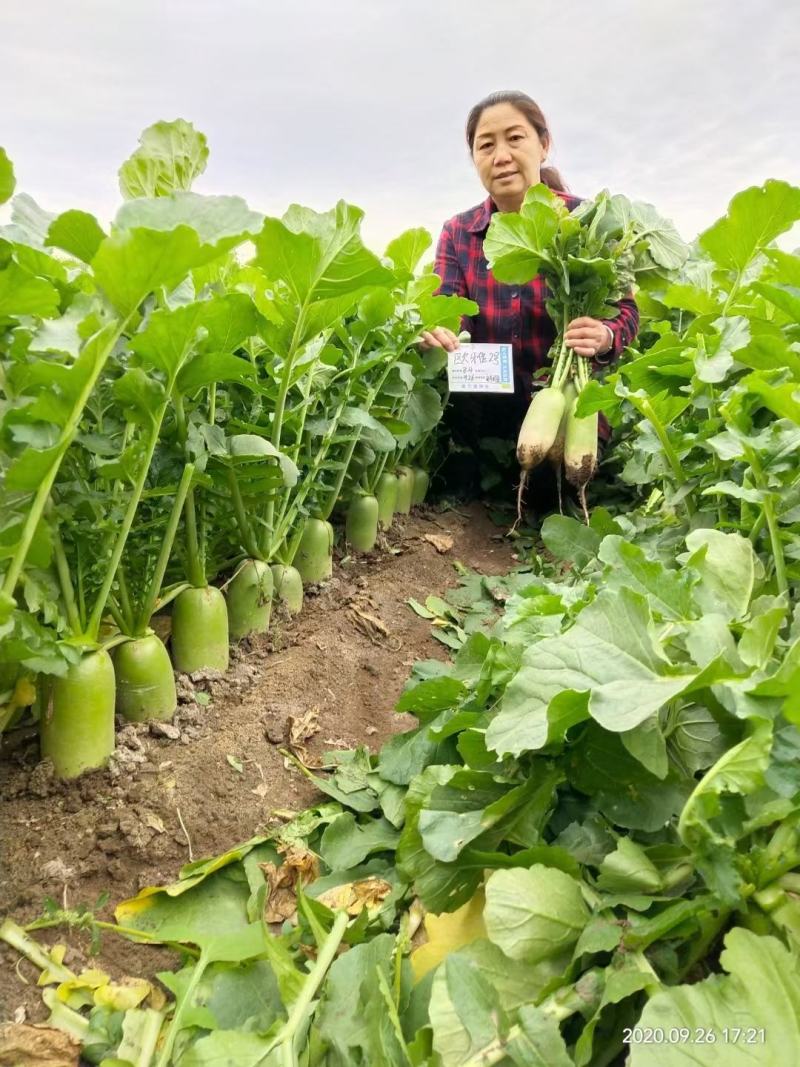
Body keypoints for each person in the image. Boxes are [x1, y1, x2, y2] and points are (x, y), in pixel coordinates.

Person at [423, 90, 639, 507]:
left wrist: (606, 335)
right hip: (486, 416)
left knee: (559, 496)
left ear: (543, 144)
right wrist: (441, 331)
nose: (500, 155)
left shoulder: (588, 221)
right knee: (477, 489)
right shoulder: (459, 231)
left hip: (567, 411)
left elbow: (627, 312)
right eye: (486, 145)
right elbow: (447, 305)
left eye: (515, 138)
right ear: (475, 160)